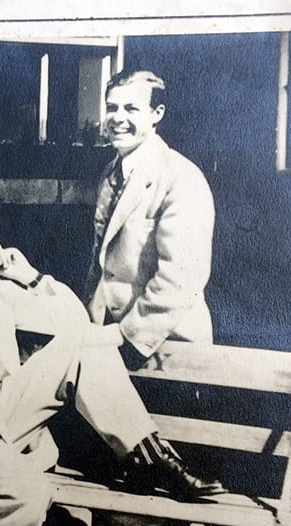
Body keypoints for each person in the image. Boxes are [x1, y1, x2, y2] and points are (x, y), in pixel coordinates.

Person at [0, 189, 225, 526]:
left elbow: (76, 324)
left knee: (84, 346)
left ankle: (151, 456)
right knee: (24, 494)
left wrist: (30, 277)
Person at [83, 70, 215, 370]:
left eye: (131, 108)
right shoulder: (109, 174)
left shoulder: (181, 177)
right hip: (109, 343)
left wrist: (127, 339)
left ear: (157, 114)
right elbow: (100, 264)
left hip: (165, 349)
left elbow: (180, 279)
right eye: (112, 107)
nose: (117, 118)